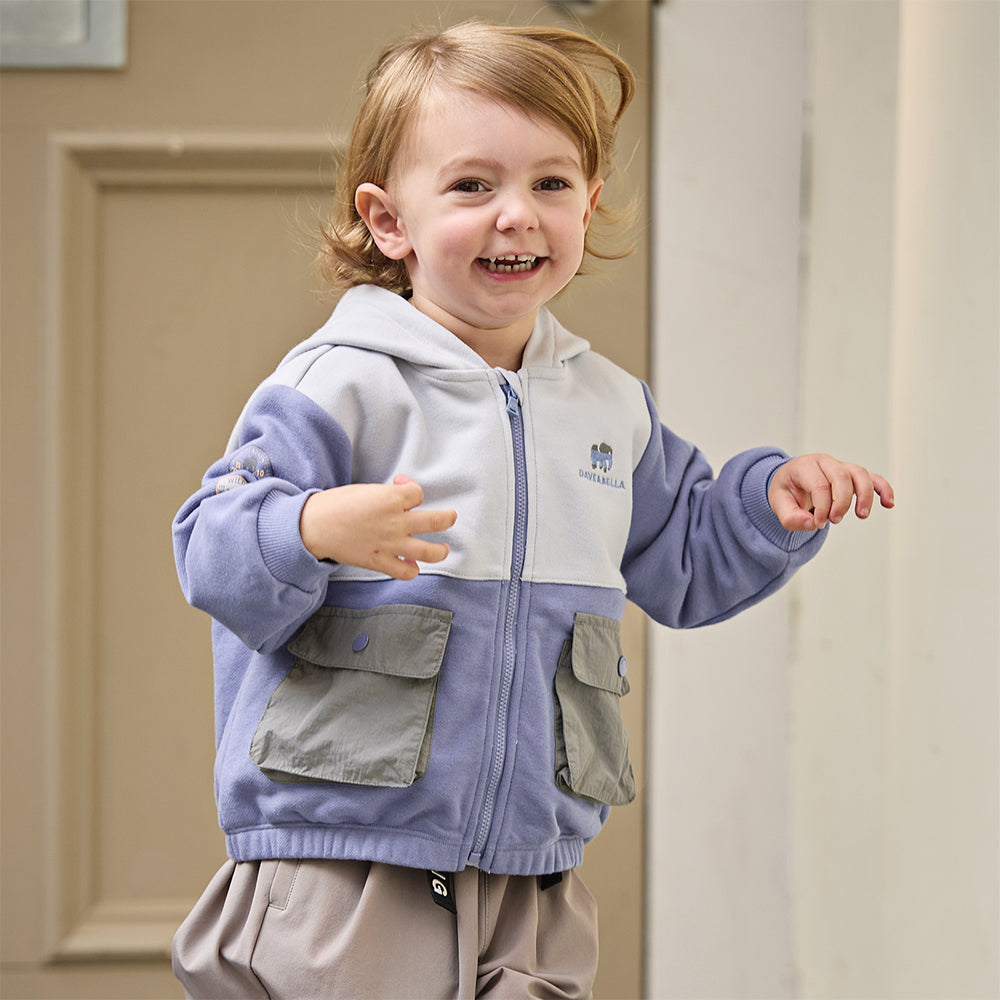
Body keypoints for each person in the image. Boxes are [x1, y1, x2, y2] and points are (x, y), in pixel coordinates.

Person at [170, 20, 894, 1000]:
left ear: (588, 205)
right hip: (349, 857)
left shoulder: (608, 409)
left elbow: (683, 560)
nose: (518, 215)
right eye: (473, 185)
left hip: (531, 865)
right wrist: (309, 529)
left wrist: (766, 506)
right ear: (390, 221)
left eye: (550, 183)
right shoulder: (337, 385)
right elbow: (212, 548)